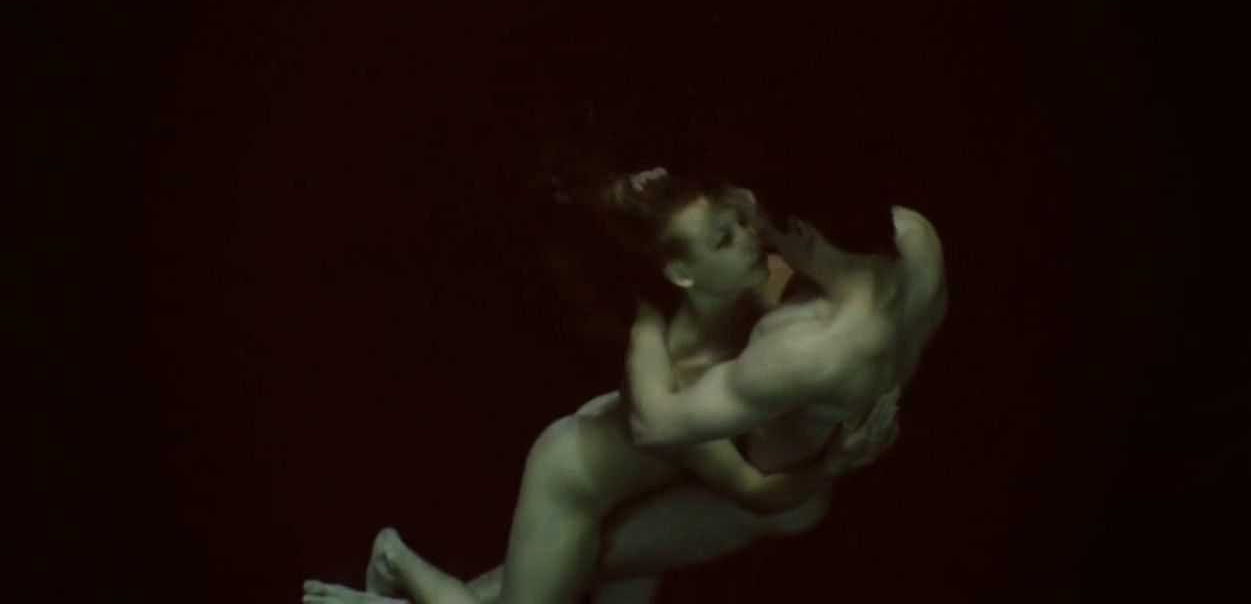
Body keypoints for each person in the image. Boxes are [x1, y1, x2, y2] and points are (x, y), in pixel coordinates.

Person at [303, 168, 945, 604]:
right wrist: (832, 462)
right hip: (584, 476)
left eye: (750, 222)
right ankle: (396, 562)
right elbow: (742, 482)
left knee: (588, 573)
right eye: (730, 235)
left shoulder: (767, 301)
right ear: (680, 273)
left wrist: (630, 198)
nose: (758, 236)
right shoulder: (689, 365)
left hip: (685, 474)